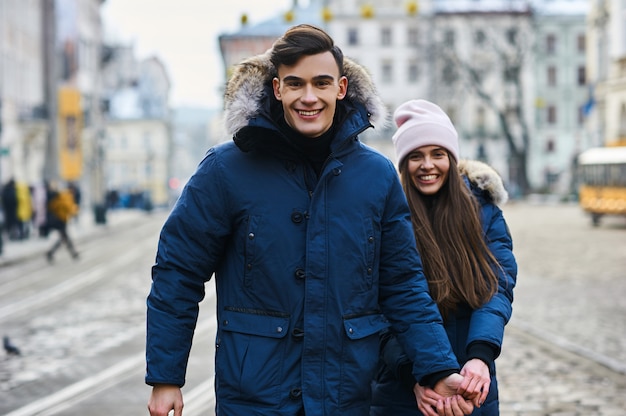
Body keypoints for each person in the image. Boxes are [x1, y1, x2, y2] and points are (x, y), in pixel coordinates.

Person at [146, 25, 479, 416]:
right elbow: (177, 273)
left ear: (340, 88)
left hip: (344, 393)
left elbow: (403, 284)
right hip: (255, 397)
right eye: (295, 84)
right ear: (277, 89)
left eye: (321, 83)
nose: (308, 97)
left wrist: (437, 368)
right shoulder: (225, 170)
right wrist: (166, 378)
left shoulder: (376, 176)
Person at [370, 99, 517, 416]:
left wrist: (480, 356)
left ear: (452, 158)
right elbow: (374, 306)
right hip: (403, 386)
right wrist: (415, 376)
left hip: (471, 381)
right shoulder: (386, 218)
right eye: (415, 156)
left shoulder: (484, 213)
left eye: (438, 154)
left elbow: (497, 288)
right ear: (403, 164)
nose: (427, 165)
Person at [45, 182, 79, 262]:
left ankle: (51, 253)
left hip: (60, 219)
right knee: (65, 238)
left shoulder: (62, 194)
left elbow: (53, 205)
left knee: (63, 238)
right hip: (60, 220)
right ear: (71, 189)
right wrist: (76, 210)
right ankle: (73, 253)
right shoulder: (67, 196)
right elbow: (69, 207)